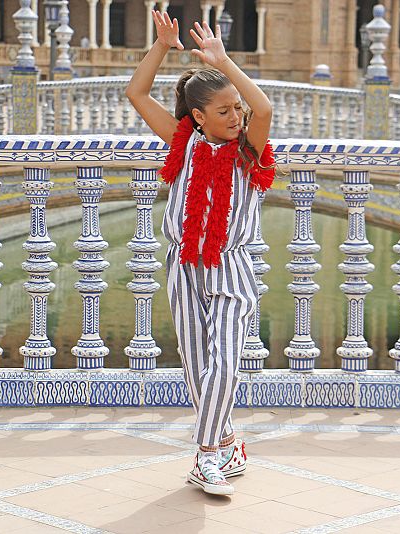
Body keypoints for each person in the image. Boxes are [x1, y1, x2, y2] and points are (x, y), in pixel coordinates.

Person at [125, 11, 274, 496]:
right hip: (184, 266)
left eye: (237, 108)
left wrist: (223, 63)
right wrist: (161, 46)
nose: (236, 117)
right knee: (196, 366)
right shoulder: (183, 143)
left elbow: (264, 109)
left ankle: (205, 456)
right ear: (198, 118)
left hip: (231, 268)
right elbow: (137, 94)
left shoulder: (249, 151)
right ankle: (228, 442)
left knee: (225, 363)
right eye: (224, 111)